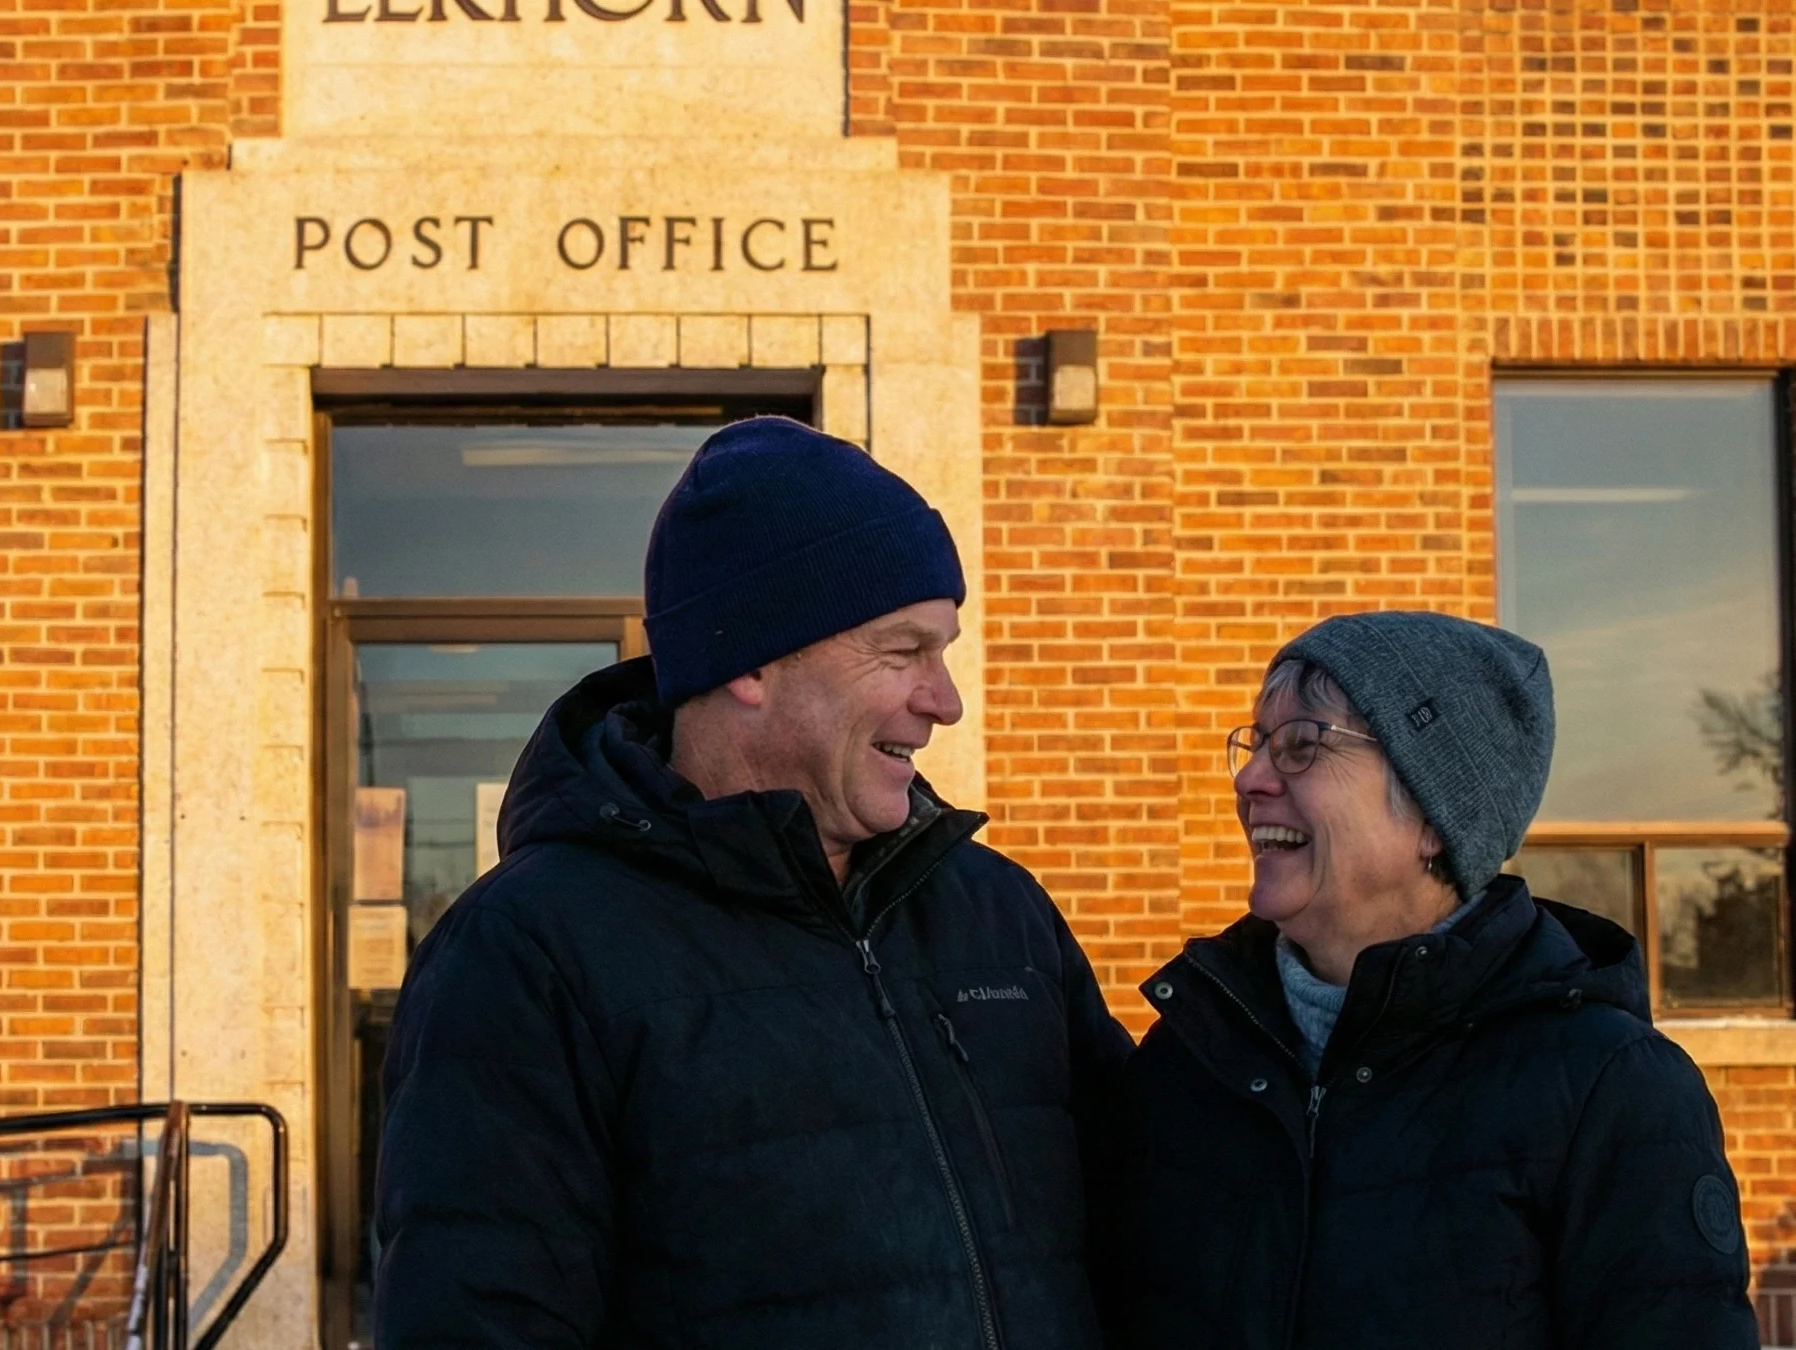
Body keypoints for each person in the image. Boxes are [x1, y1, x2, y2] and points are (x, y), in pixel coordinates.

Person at [373, 417, 1132, 1350]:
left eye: (944, 651)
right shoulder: (530, 949)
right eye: (902, 652)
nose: (944, 699)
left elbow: (1163, 1227)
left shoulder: (996, 913)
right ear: (749, 665)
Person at [1101, 610, 1758, 1349]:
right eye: (1254, 746)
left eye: (1299, 748)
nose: (1251, 780)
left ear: (1433, 818)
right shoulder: (1186, 1064)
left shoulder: (1606, 1091)